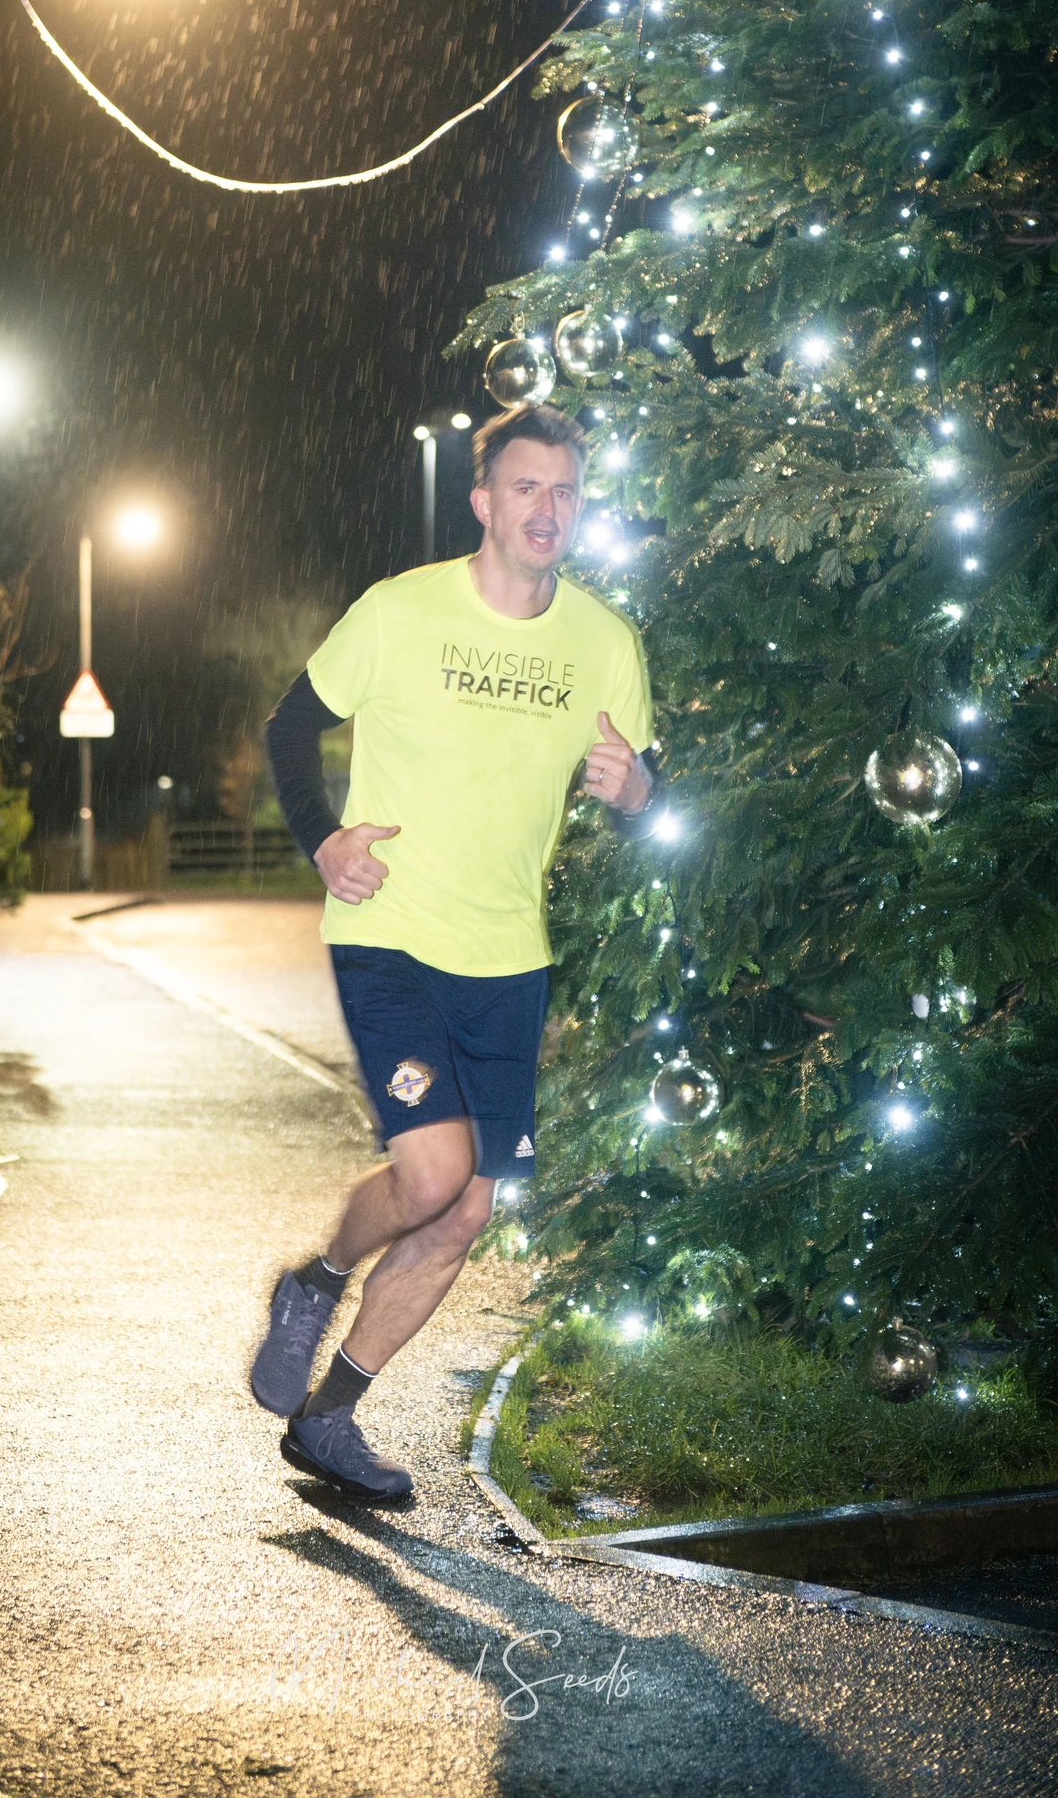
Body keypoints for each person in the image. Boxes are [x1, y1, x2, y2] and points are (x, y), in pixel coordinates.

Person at [252, 401, 654, 1499]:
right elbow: (291, 725)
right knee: (432, 1172)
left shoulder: (604, 641)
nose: (549, 507)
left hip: (507, 954)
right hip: (390, 931)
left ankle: (328, 1420)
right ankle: (318, 1278)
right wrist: (322, 838)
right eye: (527, 486)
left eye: (566, 489)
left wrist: (637, 792)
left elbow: (642, 787)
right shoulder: (400, 611)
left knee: (468, 1208)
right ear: (484, 500)